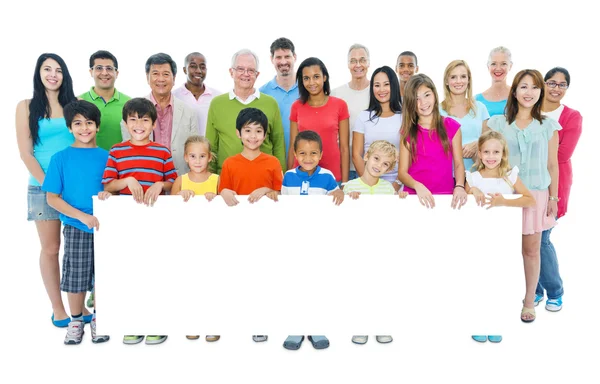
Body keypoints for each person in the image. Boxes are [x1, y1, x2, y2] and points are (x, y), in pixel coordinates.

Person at [483, 69, 560, 323]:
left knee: (531, 250)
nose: (529, 92)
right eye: (524, 87)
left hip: (537, 194)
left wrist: (553, 198)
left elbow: (552, 165)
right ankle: (494, 299)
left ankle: (529, 301)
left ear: (541, 92)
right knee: (498, 250)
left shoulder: (548, 126)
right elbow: (486, 155)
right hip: (504, 193)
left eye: (535, 87)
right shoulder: (497, 123)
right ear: (514, 91)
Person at [103, 98, 178, 345]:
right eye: (133, 119)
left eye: (145, 119)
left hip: (157, 221)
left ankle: (157, 322)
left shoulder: (162, 152)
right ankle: (133, 322)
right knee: (130, 271)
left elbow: (173, 183)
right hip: (128, 223)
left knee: (156, 270)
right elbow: (109, 184)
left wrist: (160, 183)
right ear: (125, 123)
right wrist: (128, 181)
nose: (139, 124)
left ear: (153, 123)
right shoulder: (116, 151)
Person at [42, 100, 113, 344]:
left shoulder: (108, 157)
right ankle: (75, 320)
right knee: (76, 276)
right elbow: (52, 198)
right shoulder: (60, 159)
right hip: (76, 226)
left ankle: (99, 319)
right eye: (78, 123)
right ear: (70, 128)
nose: (84, 128)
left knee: (104, 275)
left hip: (106, 227)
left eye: (90, 123)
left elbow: (112, 189)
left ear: (98, 126)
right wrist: (81, 216)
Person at [16, 53, 78, 328]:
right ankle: (58, 308)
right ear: (38, 73)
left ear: (65, 75)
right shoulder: (26, 106)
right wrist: (51, 186)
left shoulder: (74, 106)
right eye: (47, 69)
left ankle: (80, 306)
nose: (53, 74)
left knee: (80, 247)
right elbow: (26, 154)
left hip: (74, 187)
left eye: (58, 70)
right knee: (51, 248)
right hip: (42, 186)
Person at [465, 130, 536, 343]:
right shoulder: (473, 177)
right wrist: (473, 191)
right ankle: (479, 321)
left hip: (502, 239)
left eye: (496, 151)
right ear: (479, 153)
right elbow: (464, 194)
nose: (491, 156)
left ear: (503, 153)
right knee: (478, 278)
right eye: (486, 151)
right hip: (477, 238)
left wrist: (504, 202)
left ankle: (496, 321)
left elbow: (529, 199)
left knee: (500, 278)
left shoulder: (509, 175)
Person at [345, 139, 407, 346]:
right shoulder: (349, 187)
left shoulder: (388, 189)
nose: (378, 165)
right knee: (359, 289)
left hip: (381, 249)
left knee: (383, 288)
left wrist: (401, 200)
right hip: (357, 249)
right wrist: (347, 199)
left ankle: (382, 325)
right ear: (366, 157)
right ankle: (360, 327)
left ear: (389, 168)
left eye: (385, 164)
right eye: (376, 159)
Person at [535, 67, 583, 312]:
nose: (555, 88)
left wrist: (529, 158)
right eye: (551, 82)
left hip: (554, 183)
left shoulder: (571, 116)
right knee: (525, 238)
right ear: (543, 84)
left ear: (566, 89)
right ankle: (533, 290)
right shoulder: (529, 107)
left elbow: (562, 154)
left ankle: (554, 292)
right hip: (525, 184)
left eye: (561, 85)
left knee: (541, 240)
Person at [171, 134, 221, 343]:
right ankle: (192, 320)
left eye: (202, 156)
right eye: (193, 156)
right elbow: (169, 206)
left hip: (212, 241)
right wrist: (180, 196)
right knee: (189, 281)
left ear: (210, 157)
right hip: (187, 241)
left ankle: (213, 322)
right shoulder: (180, 180)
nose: (197, 160)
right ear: (185, 157)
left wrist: (215, 197)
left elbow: (226, 204)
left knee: (212, 281)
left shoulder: (216, 179)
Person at [206, 49, 286, 173]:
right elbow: (211, 147)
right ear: (231, 72)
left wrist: (281, 179)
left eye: (250, 70)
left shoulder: (271, 104)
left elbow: (278, 144)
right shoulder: (217, 104)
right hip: (228, 180)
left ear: (257, 74)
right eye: (240, 69)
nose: (246, 74)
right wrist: (211, 180)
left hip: (265, 177)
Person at [397, 74, 468, 210]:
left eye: (427, 95)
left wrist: (459, 186)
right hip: (415, 197)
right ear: (411, 103)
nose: (423, 103)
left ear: (435, 94)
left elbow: (459, 164)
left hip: (445, 197)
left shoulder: (452, 127)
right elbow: (402, 172)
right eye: (416, 99)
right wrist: (418, 186)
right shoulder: (407, 132)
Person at [121, 53, 198, 174]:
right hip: (144, 181)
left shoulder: (189, 113)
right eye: (155, 74)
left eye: (166, 74)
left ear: (174, 78)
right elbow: (128, 151)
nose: (161, 79)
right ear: (147, 77)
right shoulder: (131, 113)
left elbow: (195, 150)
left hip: (181, 183)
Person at [288, 57, 350, 185]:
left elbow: (344, 148)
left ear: (325, 77)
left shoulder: (340, 105)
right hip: (301, 176)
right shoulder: (296, 106)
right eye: (306, 78)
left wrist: (345, 182)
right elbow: (292, 146)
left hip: (332, 175)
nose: (311, 82)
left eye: (316, 76)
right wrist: (288, 178)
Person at [218, 107, 282, 207]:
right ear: (238, 133)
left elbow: (280, 192)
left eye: (258, 131)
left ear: (265, 135)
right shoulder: (229, 163)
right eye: (248, 130)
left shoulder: (273, 162)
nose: (253, 136)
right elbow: (223, 191)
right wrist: (224, 192)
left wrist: (267, 190)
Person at [352, 66, 402, 191]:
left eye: (386, 84)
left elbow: (409, 155)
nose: (381, 90)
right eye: (377, 85)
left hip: (398, 184)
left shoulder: (404, 117)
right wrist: (369, 184)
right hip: (368, 185)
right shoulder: (363, 117)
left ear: (394, 86)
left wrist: (396, 185)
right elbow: (356, 154)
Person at [440, 60, 490, 171]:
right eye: (453, 77)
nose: (458, 81)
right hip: (448, 175)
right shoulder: (437, 111)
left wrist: (477, 144)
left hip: (478, 174)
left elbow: (489, 140)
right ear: (446, 81)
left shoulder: (480, 108)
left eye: (463, 76)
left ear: (468, 80)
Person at [331, 44, 371, 180]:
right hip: (344, 167)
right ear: (348, 64)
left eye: (362, 60)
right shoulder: (336, 93)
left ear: (368, 63)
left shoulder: (378, 92)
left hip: (372, 167)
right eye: (353, 61)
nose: (358, 65)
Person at [80, 50, 131, 151]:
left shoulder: (129, 103)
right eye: (99, 68)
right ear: (91, 72)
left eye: (109, 68)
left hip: (121, 163)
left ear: (116, 73)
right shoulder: (79, 102)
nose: (104, 73)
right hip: (88, 163)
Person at [259, 37, 299, 159]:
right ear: (272, 59)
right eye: (278, 57)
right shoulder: (262, 93)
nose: (283, 62)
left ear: (294, 57)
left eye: (287, 56)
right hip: (273, 160)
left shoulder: (308, 89)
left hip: (303, 162)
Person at [282, 130, 344, 201]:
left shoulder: (327, 176)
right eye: (302, 153)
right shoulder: (288, 176)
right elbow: (284, 202)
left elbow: (336, 197)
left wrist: (340, 192)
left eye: (313, 153)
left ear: (320, 155)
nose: (308, 158)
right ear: (295, 154)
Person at [173, 52, 221, 136]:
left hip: (209, 148)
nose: (198, 71)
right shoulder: (174, 96)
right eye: (193, 66)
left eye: (202, 67)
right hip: (183, 148)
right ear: (185, 70)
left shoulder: (217, 97)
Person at [475, 47, 513, 117]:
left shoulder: (518, 95)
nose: (498, 68)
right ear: (488, 66)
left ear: (510, 66)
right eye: (493, 64)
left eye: (503, 64)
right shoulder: (477, 100)